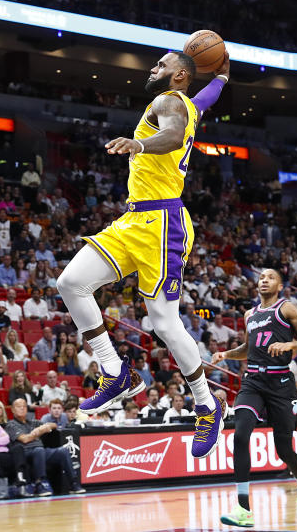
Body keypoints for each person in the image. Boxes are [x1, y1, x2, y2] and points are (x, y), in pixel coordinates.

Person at [55, 50, 230, 459]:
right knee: (71, 283)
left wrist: (137, 141)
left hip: (162, 223)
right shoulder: (189, 102)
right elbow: (205, 100)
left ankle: (206, 405)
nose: (152, 70)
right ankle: (115, 372)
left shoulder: (166, 102)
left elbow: (169, 135)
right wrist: (221, 77)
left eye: (160, 66)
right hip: (135, 220)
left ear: (179, 75)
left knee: (165, 325)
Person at [211, 268, 297, 526]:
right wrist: (226, 354)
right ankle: (244, 510)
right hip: (253, 382)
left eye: (270, 278)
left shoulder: (288, 309)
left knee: (283, 449)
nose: (264, 280)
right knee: (240, 434)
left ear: (279, 286)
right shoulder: (250, 314)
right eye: (261, 278)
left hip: (281, 384)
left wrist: (291, 345)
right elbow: (247, 349)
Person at [5, 399, 83, 496]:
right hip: (25, 452)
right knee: (39, 450)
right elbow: (25, 439)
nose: (22, 408)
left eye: (24, 406)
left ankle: (73, 483)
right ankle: (40, 483)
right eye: (19, 406)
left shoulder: (33, 422)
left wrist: (47, 426)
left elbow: (54, 425)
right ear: (12, 409)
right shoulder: (11, 424)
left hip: (40, 451)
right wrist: (38, 431)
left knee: (63, 451)